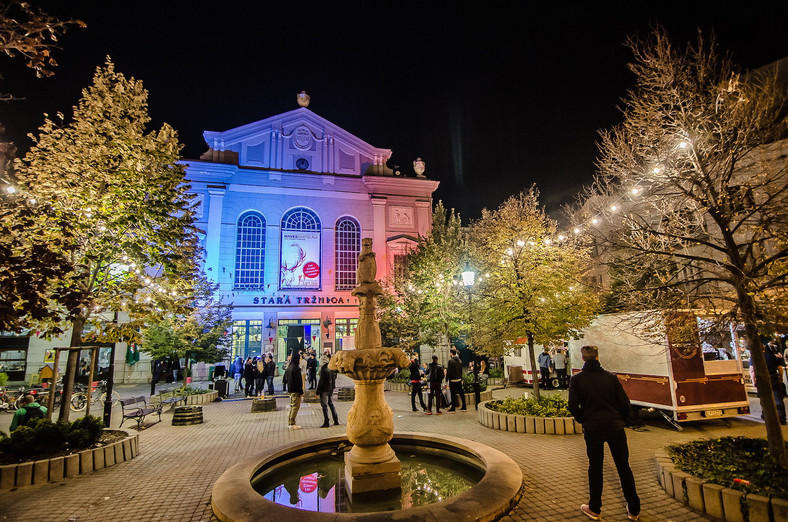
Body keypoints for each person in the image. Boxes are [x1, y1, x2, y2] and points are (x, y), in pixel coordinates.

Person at [569, 345, 640, 521]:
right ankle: (634, 508)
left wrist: (583, 419)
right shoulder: (610, 378)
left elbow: (572, 406)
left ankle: (595, 508)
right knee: (624, 467)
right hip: (615, 427)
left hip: (593, 429)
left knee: (595, 467)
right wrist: (622, 420)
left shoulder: (577, 380)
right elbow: (625, 403)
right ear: (598, 357)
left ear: (583, 358)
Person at [316, 350, 339, 427]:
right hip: (330, 389)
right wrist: (332, 387)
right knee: (331, 404)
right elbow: (334, 379)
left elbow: (321, 381)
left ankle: (326, 421)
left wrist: (317, 392)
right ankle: (336, 420)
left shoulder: (324, 369)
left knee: (324, 406)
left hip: (324, 390)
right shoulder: (332, 368)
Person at [286, 351, 304, 429]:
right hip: (295, 391)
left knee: (292, 406)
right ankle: (292, 423)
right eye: (299, 358)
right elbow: (298, 381)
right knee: (295, 407)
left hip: (291, 390)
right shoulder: (296, 368)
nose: (300, 360)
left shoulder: (290, 367)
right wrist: (301, 392)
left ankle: (290, 422)